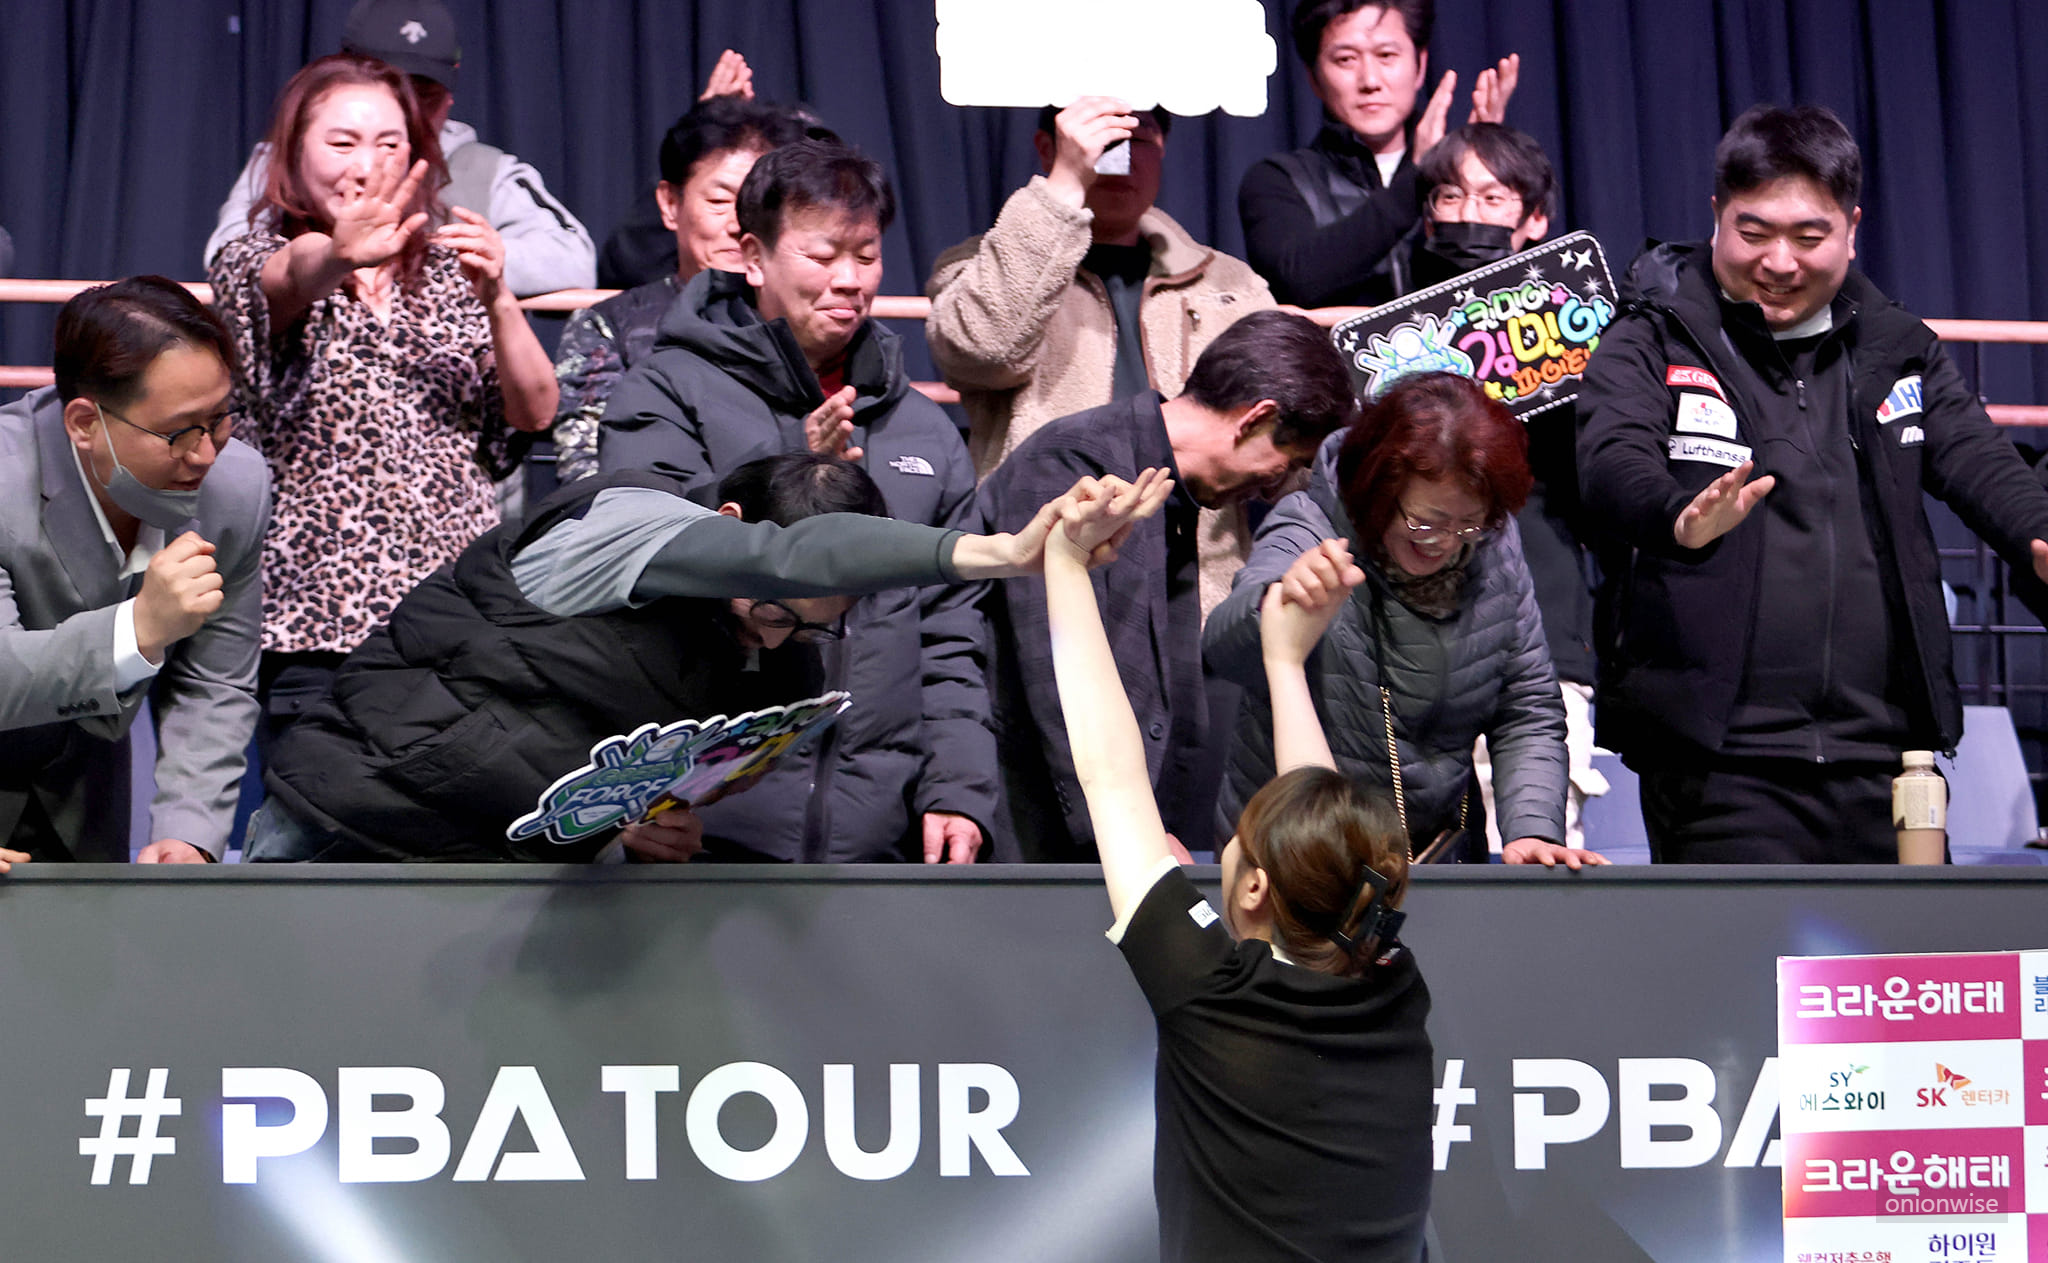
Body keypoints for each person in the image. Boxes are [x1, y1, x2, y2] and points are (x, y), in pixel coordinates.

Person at [246, 456, 1159, 862]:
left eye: (814, 625)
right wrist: (1000, 552)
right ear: (732, 529)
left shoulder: (778, 655)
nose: (780, 634)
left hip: (483, 866)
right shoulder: (626, 524)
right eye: (775, 608)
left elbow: (603, 778)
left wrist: (634, 835)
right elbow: (785, 561)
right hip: (346, 823)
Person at [1577, 104, 2048, 864]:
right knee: (1745, 981)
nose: (1780, 262)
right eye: (1754, 232)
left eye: (1809, 236)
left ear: (1852, 228)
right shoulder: (1652, 333)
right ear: (1716, 216)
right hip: (1721, 766)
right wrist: (1679, 515)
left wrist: (2040, 536)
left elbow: (1982, 462)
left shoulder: (1898, 346)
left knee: (1894, 981)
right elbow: (1610, 462)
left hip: (1891, 763)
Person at [1043, 470, 1434, 1261]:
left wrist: (1063, 561)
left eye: (1237, 840)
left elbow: (1111, 774)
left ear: (1254, 886)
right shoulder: (1391, 984)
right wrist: (1284, 662)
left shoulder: (1214, 997)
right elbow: (1326, 832)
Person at [598, 140, 995, 864]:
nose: (850, 280)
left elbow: (949, 634)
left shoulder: (923, 431)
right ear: (753, 256)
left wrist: (959, 787)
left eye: (867, 254)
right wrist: (789, 471)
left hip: (880, 841)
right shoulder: (667, 390)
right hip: (703, 834)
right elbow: (644, 563)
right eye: (823, 255)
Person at [208, 54, 559, 740]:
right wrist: (341, 254)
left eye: (389, 143)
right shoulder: (252, 259)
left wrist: (498, 296)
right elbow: (288, 277)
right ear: (292, 152)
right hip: (314, 635)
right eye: (341, 143)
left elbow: (536, 410)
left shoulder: (448, 269)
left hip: (454, 633)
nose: (365, 165)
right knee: (317, 839)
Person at [975, 311, 1356, 859]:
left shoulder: (1168, 489)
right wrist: (1132, 831)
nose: (1275, 483)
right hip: (1048, 843)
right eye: (1284, 462)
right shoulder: (1078, 464)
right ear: (1256, 418)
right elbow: (1058, 673)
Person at [1208, 372, 1605, 867]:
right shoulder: (1310, 524)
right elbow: (1222, 647)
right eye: (1424, 520)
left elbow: (1525, 706)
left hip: (1436, 857)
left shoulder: (1495, 549)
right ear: (1379, 487)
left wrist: (1530, 829)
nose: (1443, 541)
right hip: (1300, 863)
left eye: (1467, 523)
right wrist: (1279, 603)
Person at [0, 277, 271, 863]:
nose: (204, 454)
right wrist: (140, 629)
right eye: (177, 432)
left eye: (220, 418)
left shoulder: (235, 487)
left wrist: (189, 829)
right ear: (83, 423)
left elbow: (215, 681)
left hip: (85, 809)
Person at [1402, 124, 1608, 850]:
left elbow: (1597, 499)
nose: (1471, 213)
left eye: (1494, 195)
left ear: (1535, 219)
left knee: (1540, 843)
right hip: (1408, 629)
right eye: (1451, 194)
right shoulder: (1393, 330)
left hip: (1541, 622)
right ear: (1428, 212)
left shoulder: (1584, 340)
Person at [926, 100, 1276, 480]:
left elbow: (1281, 430)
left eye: (1136, 138)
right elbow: (984, 352)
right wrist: (1064, 186)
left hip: (1192, 532)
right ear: (1048, 149)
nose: (1119, 158)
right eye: (1100, 139)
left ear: (1163, 149)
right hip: (1039, 529)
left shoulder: (1229, 282)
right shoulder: (979, 267)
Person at [205, 0, 595, 297]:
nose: (407, 110)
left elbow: (574, 262)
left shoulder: (486, 169)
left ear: (451, 90)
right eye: (391, 88)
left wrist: (431, 260)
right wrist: (332, 257)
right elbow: (227, 253)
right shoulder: (287, 156)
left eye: (422, 94)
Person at [550, 95, 817, 483]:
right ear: (670, 204)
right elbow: (588, 481)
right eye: (719, 200)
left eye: (757, 203)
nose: (738, 223)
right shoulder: (612, 327)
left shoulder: (810, 322)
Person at [1238, 0, 1518, 307]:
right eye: (1345, 60)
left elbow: (1487, 298)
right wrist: (1417, 181)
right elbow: (1297, 279)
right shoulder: (1277, 180)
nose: (1370, 81)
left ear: (1420, 66)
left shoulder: (1455, 174)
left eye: (1386, 56)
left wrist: (1473, 185)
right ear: (1313, 77)